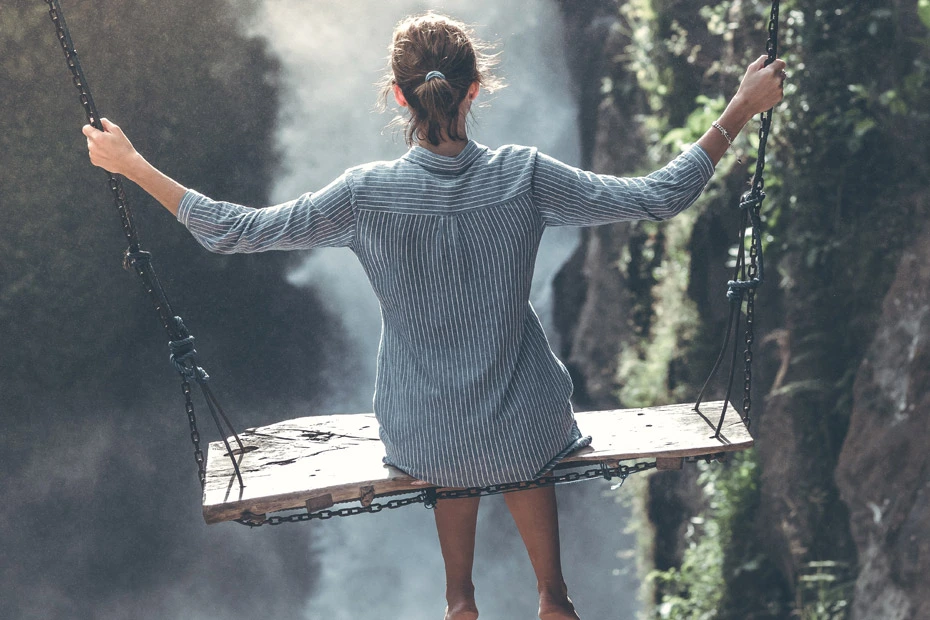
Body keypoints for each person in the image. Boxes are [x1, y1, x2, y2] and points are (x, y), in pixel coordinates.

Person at [82, 12, 786, 620]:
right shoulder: (524, 174)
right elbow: (660, 196)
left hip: (423, 435)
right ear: (476, 89)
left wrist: (133, 163)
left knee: (453, 425)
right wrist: (739, 109)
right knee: (517, 416)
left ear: (397, 96)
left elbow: (231, 229)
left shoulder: (364, 193)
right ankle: (554, 595)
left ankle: (459, 600)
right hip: (525, 426)